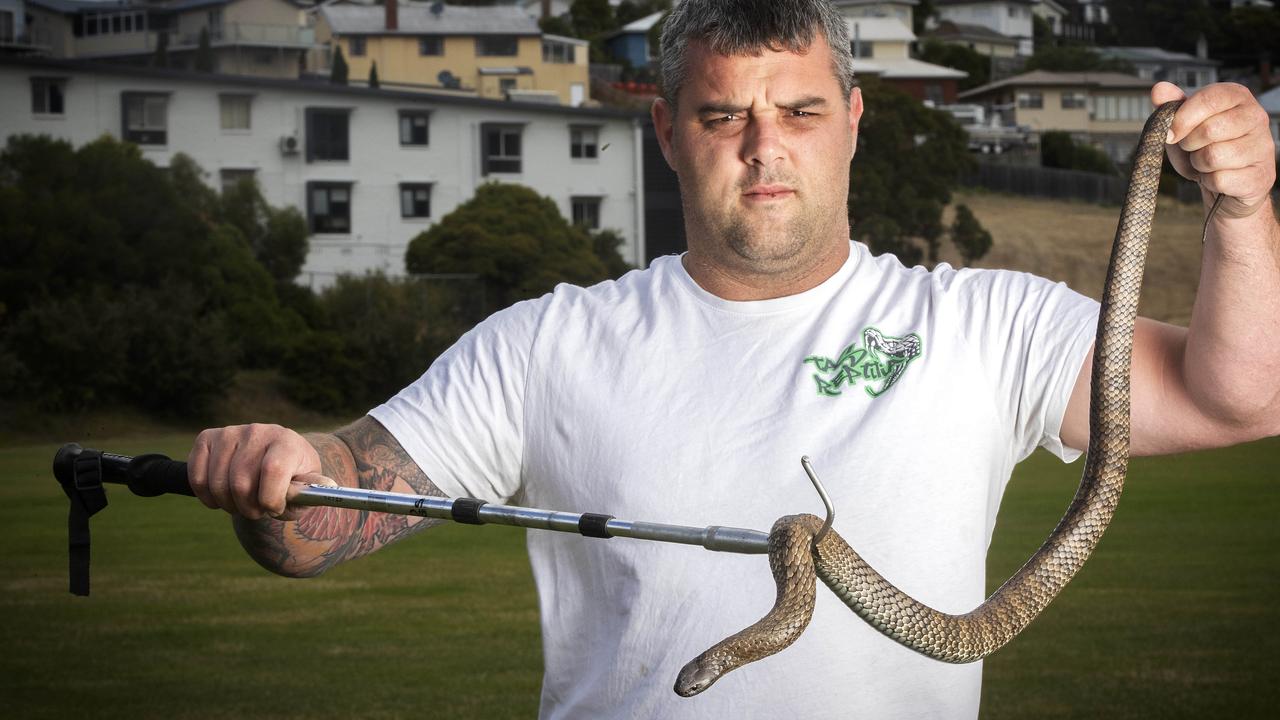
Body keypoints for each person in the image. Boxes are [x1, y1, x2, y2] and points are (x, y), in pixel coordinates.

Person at [189, 1, 1280, 717]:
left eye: (799, 111)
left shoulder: (982, 326)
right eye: (723, 116)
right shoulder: (546, 342)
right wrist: (275, 472)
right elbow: (313, 531)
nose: (765, 147)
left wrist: (1239, 209)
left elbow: (1241, 399)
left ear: (853, 122)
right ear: (665, 131)